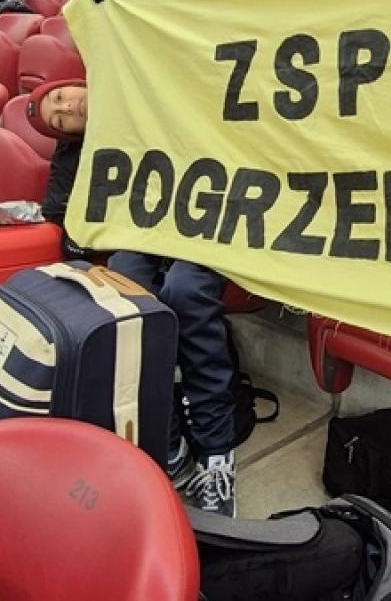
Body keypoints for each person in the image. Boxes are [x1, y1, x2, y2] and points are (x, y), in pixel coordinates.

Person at [29, 78, 241, 517]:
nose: (69, 109)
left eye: (61, 97)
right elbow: (66, 227)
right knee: (125, 289)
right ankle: (166, 439)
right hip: (148, 232)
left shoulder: (142, 81)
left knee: (184, 290)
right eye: (59, 119)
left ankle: (217, 452)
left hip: (210, 222)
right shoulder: (75, 154)